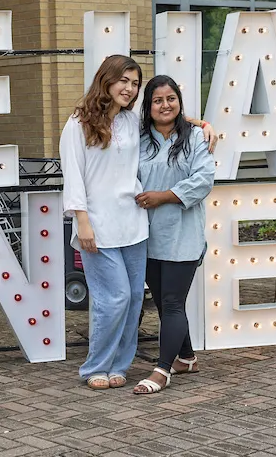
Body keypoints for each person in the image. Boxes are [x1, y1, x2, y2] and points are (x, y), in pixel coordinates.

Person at [61, 55, 215, 390]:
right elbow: (73, 176)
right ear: (107, 80)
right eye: (124, 81)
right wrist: (81, 221)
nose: (130, 89)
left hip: (134, 226)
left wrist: (202, 124)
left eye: (135, 83)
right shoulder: (78, 123)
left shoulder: (133, 123)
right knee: (112, 297)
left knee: (132, 298)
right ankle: (95, 366)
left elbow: (168, 117)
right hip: (97, 225)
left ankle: (120, 364)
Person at [131, 75, 215, 395]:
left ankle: (162, 371)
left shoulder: (195, 137)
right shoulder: (139, 140)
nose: (165, 105)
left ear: (179, 101)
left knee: (172, 301)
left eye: (171, 99)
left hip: (184, 234)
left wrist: (164, 196)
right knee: (167, 306)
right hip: (149, 236)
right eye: (157, 100)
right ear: (148, 106)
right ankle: (187, 358)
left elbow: (204, 179)